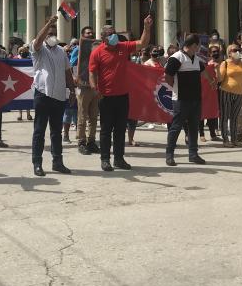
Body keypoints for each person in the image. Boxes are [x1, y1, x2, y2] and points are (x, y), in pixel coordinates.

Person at [89, 16, 153, 171]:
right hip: (106, 97)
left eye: (114, 32)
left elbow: (142, 43)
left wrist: (146, 27)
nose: (113, 36)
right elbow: (92, 73)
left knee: (120, 129)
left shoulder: (122, 46)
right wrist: (95, 89)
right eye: (110, 34)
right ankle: (105, 159)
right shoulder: (97, 52)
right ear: (103, 37)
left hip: (123, 96)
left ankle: (119, 158)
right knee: (106, 130)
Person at [29, 15, 76, 176]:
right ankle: (37, 163)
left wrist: (71, 90)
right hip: (42, 94)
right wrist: (48, 22)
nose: (51, 37)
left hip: (59, 96)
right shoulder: (38, 49)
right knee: (39, 131)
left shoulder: (61, 52)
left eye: (54, 34)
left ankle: (58, 162)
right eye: (49, 34)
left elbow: (67, 71)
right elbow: (37, 41)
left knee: (57, 131)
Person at [164, 34, 217, 166]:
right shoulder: (176, 58)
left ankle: (193, 154)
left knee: (194, 127)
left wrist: (211, 81)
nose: (199, 48)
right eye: (198, 45)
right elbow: (168, 76)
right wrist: (174, 88)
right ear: (193, 45)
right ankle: (169, 155)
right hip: (181, 99)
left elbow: (203, 71)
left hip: (196, 99)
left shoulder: (197, 59)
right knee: (176, 127)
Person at [74, 26, 100, 154]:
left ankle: (91, 141)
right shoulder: (78, 49)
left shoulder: (98, 49)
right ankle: (81, 142)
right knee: (82, 116)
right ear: (82, 34)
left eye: (92, 32)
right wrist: (76, 78)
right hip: (83, 87)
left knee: (94, 117)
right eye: (88, 33)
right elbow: (71, 64)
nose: (90, 34)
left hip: (95, 87)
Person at [218, 44, 242, 148]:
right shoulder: (225, 63)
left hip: (240, 93)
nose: (237, 51)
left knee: (235, 117)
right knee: (225, 117)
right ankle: (225, 140)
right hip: (226, 92)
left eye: (238, 50)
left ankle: (234, 139)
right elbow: (219, 79)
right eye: (234, 50)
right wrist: (217, 70)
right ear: (229, 53)